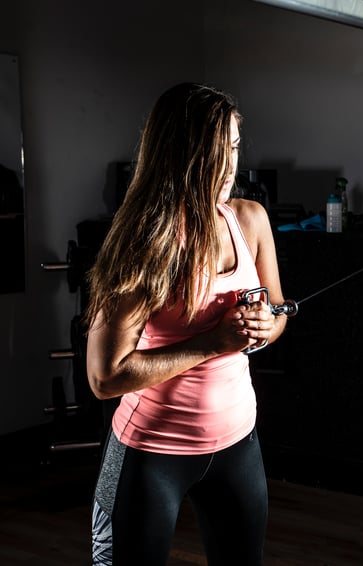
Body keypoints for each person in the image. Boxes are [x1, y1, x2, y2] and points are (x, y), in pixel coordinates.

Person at [83, 82, 289, 565]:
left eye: (235, 148)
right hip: (151, 452)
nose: (228, 167)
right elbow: (105, 376)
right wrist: (212, 342)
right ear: (177, 154)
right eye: (214, 152)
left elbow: (278, 310)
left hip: (239, 443)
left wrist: (264, 325)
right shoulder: (145, 241)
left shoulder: (250, 220)